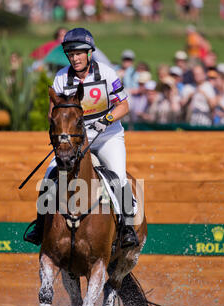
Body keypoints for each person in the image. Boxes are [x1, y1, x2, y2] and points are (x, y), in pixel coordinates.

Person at [25, 28, 139, 249]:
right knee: (49, 176)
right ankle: (40, 228)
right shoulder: (61, 77)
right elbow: (52, 112)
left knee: (119, 177)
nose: (74, 58)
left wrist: (105, 119)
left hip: (107, 135)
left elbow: (124, 105)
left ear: (89, 53)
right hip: (75, 138)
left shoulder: (106, 73)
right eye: (71, 54)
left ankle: (127, 229)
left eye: (79, 53)